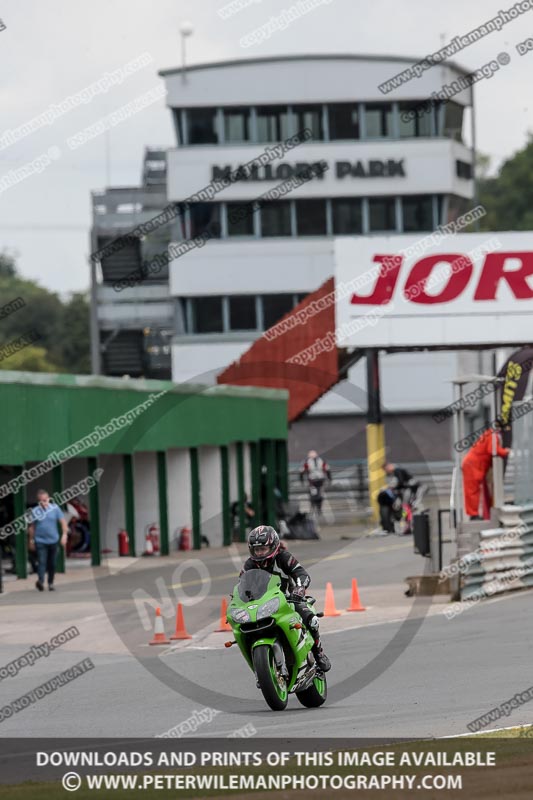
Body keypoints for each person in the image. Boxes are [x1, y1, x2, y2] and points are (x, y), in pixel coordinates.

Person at [242, 525, 331, 672]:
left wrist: (300, 588)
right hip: (261, 605)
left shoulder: (283, 557)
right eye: (256, 549)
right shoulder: (249, 564)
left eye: (263, 549)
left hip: (288, 600)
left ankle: (318, 652)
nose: (259, 553)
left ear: (273, 546)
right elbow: (242, 585)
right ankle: (260, 666)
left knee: (311, 619)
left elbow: (302, 574)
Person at [462, 420, 510, 520]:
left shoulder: (490, 434)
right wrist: (505, 451)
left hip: (474, 465)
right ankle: (473, 515)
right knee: (472, 491)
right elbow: (492, 449)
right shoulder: (493, 435)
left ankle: (474, 514)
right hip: (473, 465)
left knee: (473, 491)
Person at [27, 489, 67, 592]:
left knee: (52, 563)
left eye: (45, 500)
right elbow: (31, 527)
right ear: (38, 501)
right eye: (41, 501)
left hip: (53, 540)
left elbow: (63, 522)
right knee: (42, 561)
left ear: (49, 499)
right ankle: (40, 582)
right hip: (40, 541)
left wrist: (64, 535)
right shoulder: (35, 511)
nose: (44, 503)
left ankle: (50, 583)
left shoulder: (55, 509)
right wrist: (31, 541)